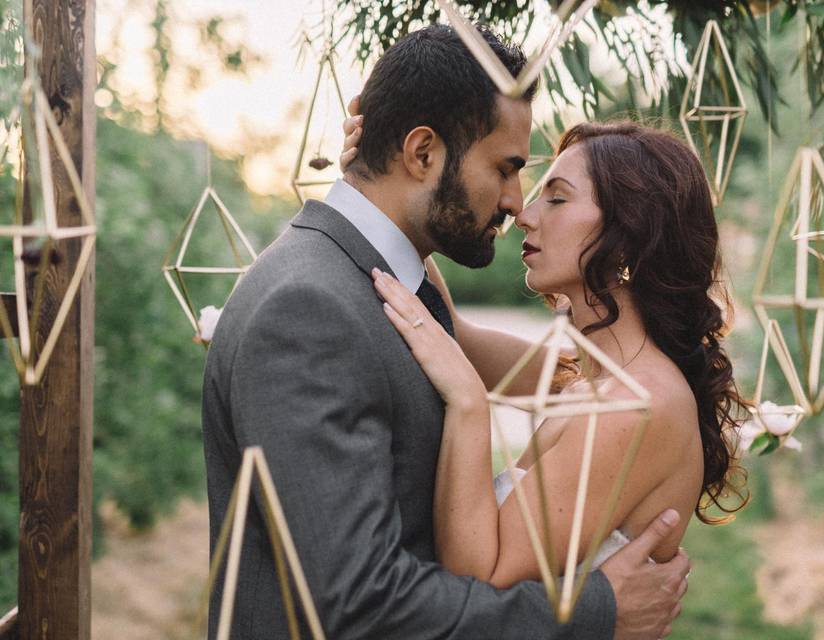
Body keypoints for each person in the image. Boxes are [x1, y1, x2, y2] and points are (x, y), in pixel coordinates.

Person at [202, 24, 689, 640]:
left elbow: (563, 374)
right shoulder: (309, 309)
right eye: (506, 168)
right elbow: (357, 606)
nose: (518, 203)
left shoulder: (383, 285)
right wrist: (597, 611)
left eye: (546, 190)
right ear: (423, 153)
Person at [354, 118, 749, 591]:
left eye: (557, 198)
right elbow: (452, 333)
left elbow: (481, 578)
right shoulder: (588, 379)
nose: (524, 213)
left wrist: (470, 405)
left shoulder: (638, 404)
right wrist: (383, 186)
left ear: (630, 236)